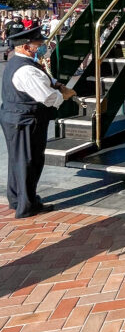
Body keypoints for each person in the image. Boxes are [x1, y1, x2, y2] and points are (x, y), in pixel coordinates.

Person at [0, 24, 77, 218]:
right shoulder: (26, 70)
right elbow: (48, 98)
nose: (42, 46)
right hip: (25, 120)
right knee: (29, 161)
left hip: (16, 117)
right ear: (26, 46)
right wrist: (64, 95)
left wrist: (55, 84)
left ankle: (17, 198)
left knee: (18, 160)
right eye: (38, 43)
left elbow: (43, 82)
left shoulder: (20, 61)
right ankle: (28, 205)